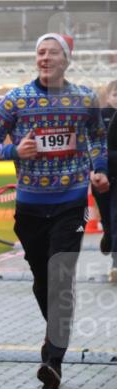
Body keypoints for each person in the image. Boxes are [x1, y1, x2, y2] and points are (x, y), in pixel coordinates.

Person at [0, 34, 109, 389]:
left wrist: (99, 169)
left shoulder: (85, 98)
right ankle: (56, 332)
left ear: (66, 59)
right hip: (31, 206)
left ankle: (53, 360)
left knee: (61, 277)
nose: (45, 58)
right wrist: (14, 151)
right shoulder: (16, 99)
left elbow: (98, 138)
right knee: (43, 280)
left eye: (52, 52)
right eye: (40, 52)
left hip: (72, 204)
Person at [99, 80, 116, 282]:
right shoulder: (100, 116)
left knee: (116, 218)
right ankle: (107, 235)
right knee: (109, 220)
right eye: (115, 94)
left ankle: (115, 264)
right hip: (103, 177)